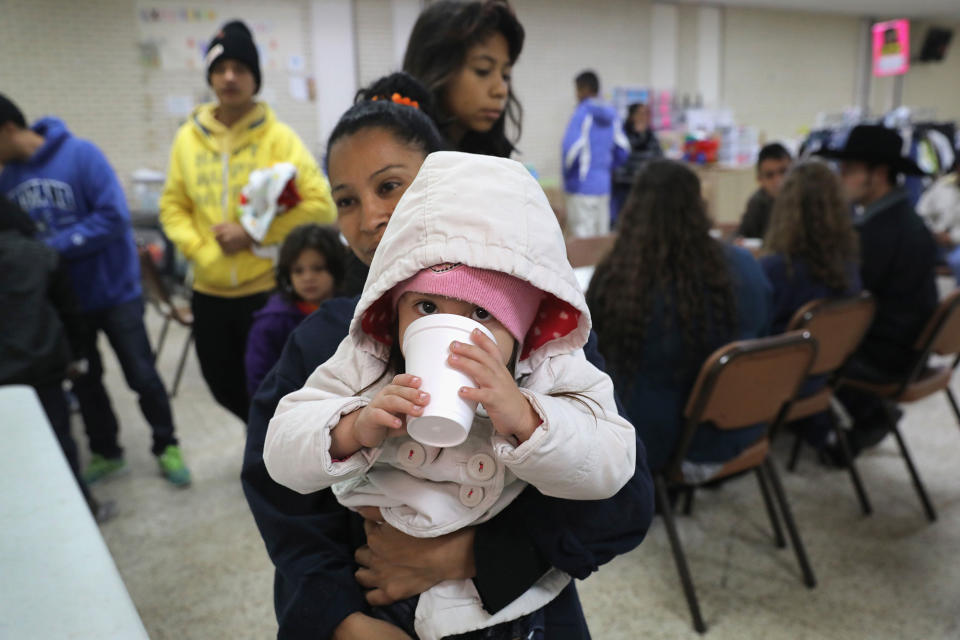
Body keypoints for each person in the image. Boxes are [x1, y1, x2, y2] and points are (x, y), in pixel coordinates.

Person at [241, 75, 653, 640]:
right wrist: (340, 618)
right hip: (377, 608)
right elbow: (281, 494)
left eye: (391, 187)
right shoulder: (333, 345)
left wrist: (465, 553)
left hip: (515, 601)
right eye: (346, 200)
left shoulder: (544, 341)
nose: (370, 218)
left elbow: (620, 490)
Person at [0, 94, 190, 487]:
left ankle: (166, 444)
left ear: (7, 129)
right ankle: (106, 451)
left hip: (116, 292)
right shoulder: (8, 179)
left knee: (141, 374)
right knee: (84, 380)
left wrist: (50, 248)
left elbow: (113, 216)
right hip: (67, 305)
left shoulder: (81, 154)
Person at [159, 20, 335, 422]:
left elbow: (321, 205)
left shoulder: (279, 138)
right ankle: (258, 435)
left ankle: (268, 452)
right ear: (211, 78)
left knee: (271, 382)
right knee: (222, 384)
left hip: (265, 290)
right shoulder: (188, 138)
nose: (229, 77)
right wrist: (203, 251)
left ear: (255, 78)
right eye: (220, 69)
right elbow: (173, 206)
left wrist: (254, 233)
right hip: (209, 290)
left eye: (240, 68)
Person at [587, 159, 773, 473]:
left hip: (664, 449)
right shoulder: (746, 266)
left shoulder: (624, 283)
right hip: (747, 425)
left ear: (635, 211)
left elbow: (593, 365)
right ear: (698, 206)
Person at [818, 124, 938, 456]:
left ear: (880, 173)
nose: (842, 177)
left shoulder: (880, 233)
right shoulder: (904, 220)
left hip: (886, 354)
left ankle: (838, 428)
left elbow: (844, 299)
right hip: (911, 346)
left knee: (800, 343)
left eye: (850, 170)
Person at [759, 161, 861, 449]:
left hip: (775, 381)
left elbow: (754, 331)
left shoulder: (777, 269)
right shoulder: (849, 264)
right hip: (822, 374)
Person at [402, 0, 524, 157]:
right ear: (436, 68)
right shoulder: (399, 155)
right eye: (483, 70)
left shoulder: (489, 153)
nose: (501, 90)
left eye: (505, 75)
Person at [245, 224, 347, 397]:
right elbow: (259, 379)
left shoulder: (349, 313)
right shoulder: (272, 322)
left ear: (335, 269)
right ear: (287, 274)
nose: (308, 278)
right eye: (298, 271)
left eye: (318, 268)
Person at [561, 70, 630, 237]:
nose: (576, 95)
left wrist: (569, 178)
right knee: (600, 241)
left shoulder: (582, 113)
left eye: (577, 90)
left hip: (581, 187)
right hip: (603, 187)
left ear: (585, 89)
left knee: (582, 242)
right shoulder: (612, 114)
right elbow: (624, 149)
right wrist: (607, 169)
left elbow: (571, 150)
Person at [611, 102, 663, 224]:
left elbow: (659, 157)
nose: (644, 117)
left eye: (646, 113)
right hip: (624, 186)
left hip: (646, 186)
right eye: (641, 113)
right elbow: (619, 158)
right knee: (623, 220)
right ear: (632, 116)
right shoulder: (622, 134)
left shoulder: (651, 135)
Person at [737, 142, 792, 240]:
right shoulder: (757, 202)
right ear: (760, 180)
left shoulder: (807, 199)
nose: (778, 180)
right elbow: (742, 234)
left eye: (783, 171)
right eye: (769, 175)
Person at [917, 160, 960, 282]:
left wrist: (952, 237)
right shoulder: (942, 186)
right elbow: (921, 212)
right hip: (934, 240)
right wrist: (933, 231)